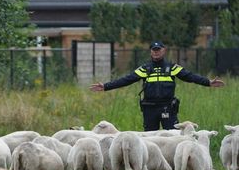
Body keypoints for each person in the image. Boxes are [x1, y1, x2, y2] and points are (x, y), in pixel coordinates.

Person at [90, 41, 224, 131]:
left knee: (173, 137)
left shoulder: (172, 67)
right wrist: (106, 86)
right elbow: (126, 79)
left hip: (168, 108)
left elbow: (190, 76)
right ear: (150, 52)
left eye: (158, 50)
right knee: (149, 140)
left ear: (163, 50)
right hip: (149, 108)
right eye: (153, 50)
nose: (156, 52)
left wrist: (208, 82)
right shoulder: (145, 68)